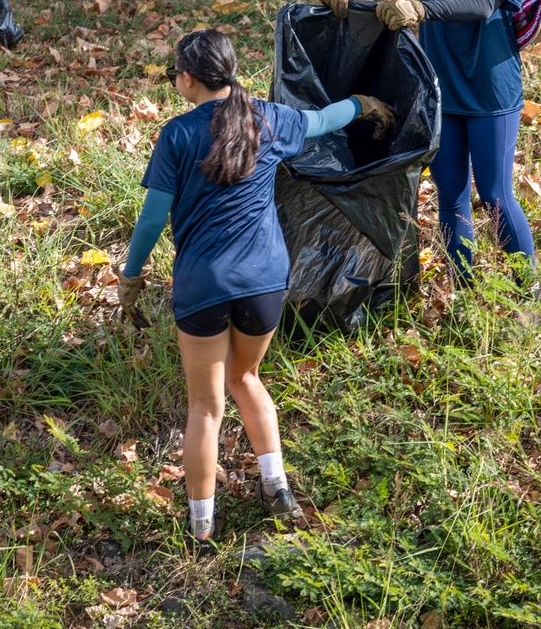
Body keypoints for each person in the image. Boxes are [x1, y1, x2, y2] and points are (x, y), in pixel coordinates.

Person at [117, 28, 393, 552]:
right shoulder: (267, 117)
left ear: (189, 78)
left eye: (176, 71)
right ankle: (277, 488)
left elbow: (153, 217)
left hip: (203, 281)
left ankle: (201, 527)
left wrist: (131, 275)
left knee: (204, 406)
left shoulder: (177, 135)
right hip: (266, 279)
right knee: (246, 377)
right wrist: (363, 103)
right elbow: (322, 120)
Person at [318, 0, 540, 282]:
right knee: (449, 194)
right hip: (440, 84)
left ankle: (527, 292)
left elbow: (485, 4)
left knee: (495, 195)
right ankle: (464, 291)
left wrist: (421, 9)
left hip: (488, 85)